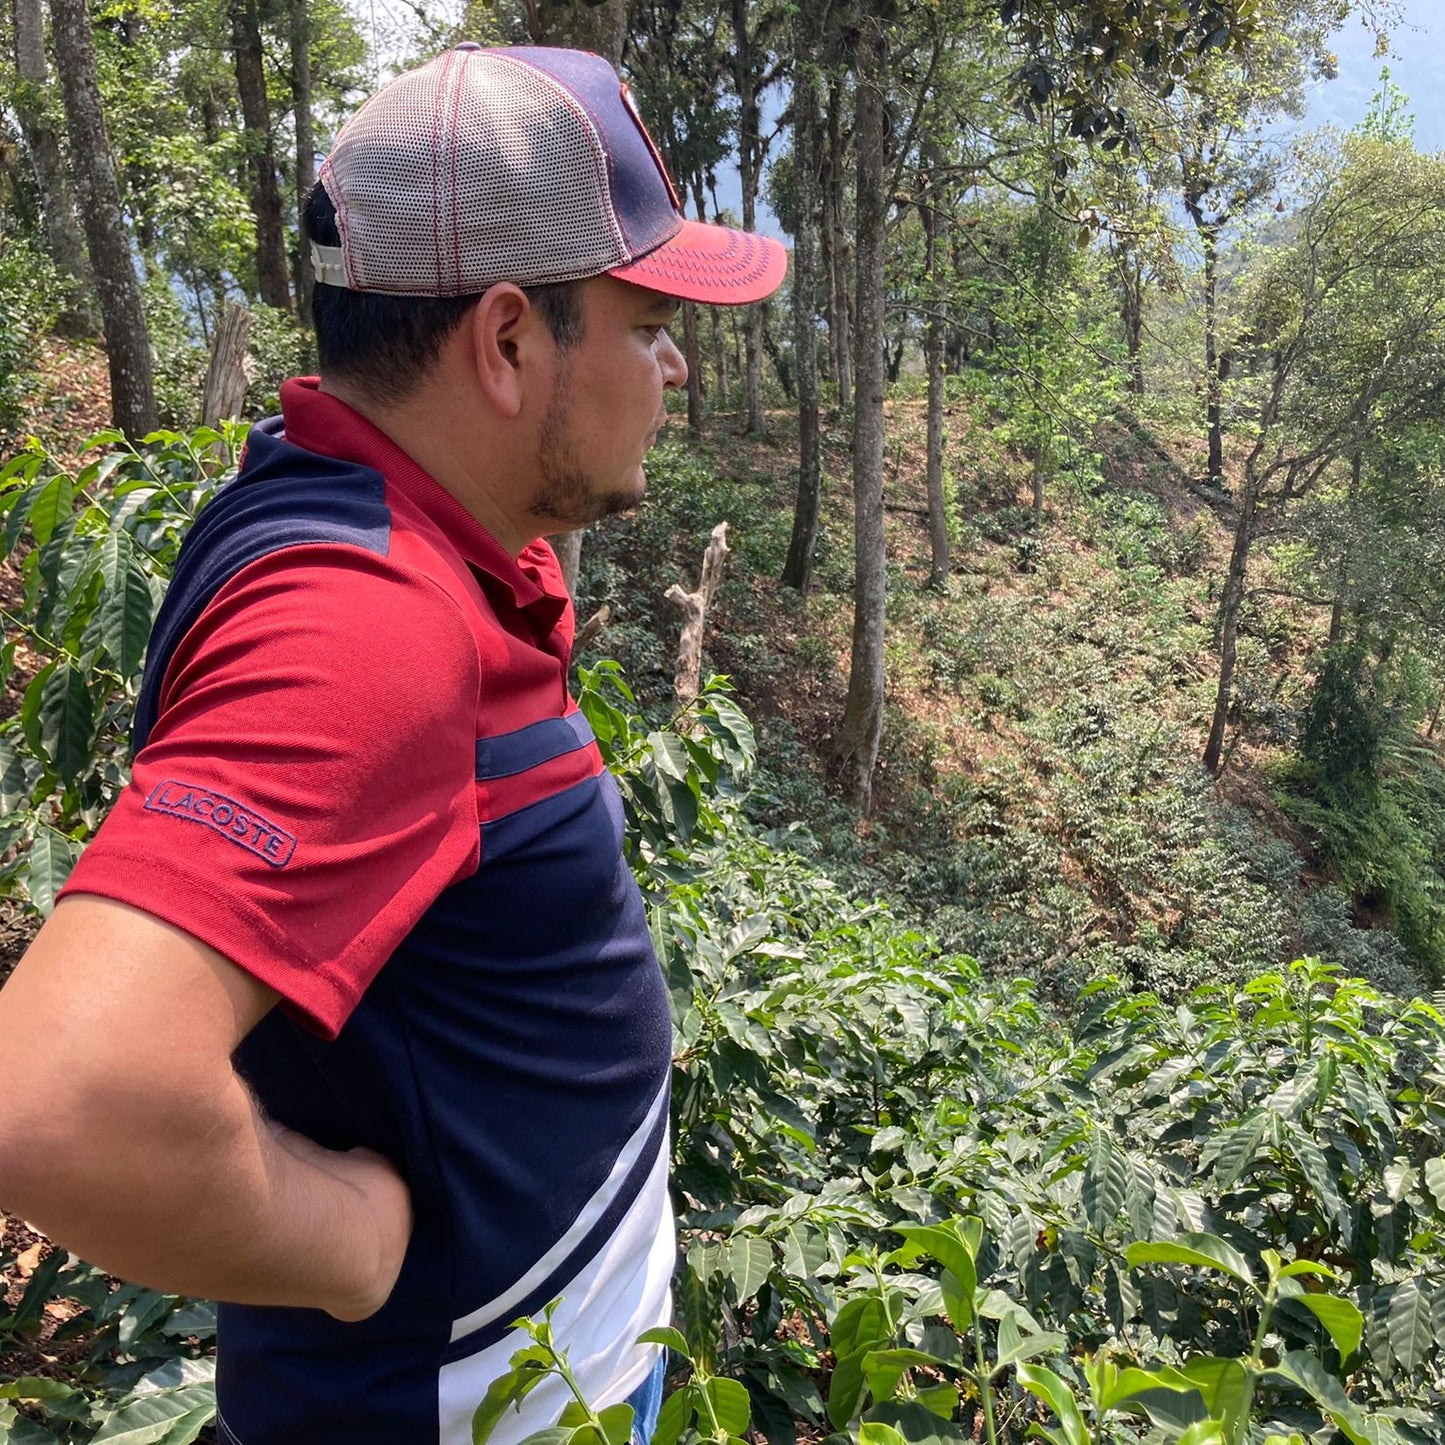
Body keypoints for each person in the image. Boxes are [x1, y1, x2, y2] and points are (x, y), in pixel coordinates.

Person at [0, 44, 785, 1445]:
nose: (672, 365)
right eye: (644, 317)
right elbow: (63, 1102)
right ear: (504, 341)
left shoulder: (394, 530)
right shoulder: (365, 621)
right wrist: (347, 1240)